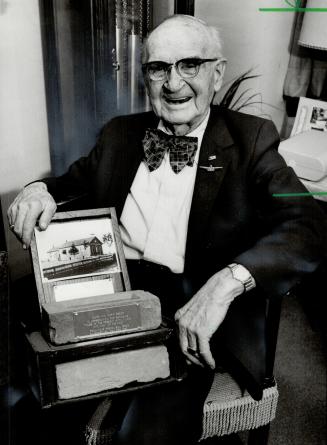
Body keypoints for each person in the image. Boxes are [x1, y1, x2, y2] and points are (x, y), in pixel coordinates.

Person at [8, 14, 326, 445]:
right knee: (35, 400)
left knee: (148, 434)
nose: (173, 83)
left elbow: (307, 222)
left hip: (190, 302)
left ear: (218, 73)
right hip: (113, 283)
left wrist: (226, 283)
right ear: (145, 77)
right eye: (159, 68)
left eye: (189, 65)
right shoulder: (120, 134)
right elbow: (68, 183)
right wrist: (36, 190)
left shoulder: (251, 139)